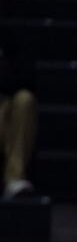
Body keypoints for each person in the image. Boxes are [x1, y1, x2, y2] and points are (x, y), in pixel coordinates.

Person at [0, 39, 36, 198]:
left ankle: (14, 176)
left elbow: (25, 76)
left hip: (7, 100)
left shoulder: (9, 40)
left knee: (25, 99)